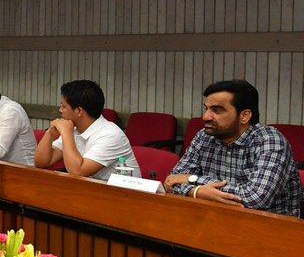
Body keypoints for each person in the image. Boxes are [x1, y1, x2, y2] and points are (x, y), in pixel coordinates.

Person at [164, 79, 301, 215]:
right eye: (207, 109)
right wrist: (197, 192)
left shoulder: (270, 141)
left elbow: (255, 200)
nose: (206, 117)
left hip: (271, 228)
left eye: (217, 110)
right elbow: (171, 181)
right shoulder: (204, 136)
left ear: (244, 116)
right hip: (214, 220)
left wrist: (193, 180)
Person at [35, 80, 140, 180]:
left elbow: (78, 172)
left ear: (79, 111)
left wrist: (66, 133)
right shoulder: (73, 128)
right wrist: (50, 134)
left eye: (64, 106)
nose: (60, 110)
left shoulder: (110, 134)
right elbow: (41, 162)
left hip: (123, 196)